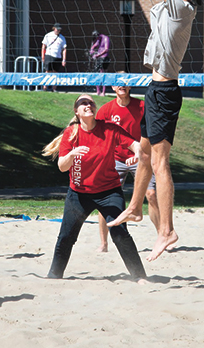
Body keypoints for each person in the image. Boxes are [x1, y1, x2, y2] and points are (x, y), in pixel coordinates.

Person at [108, 0, 204, 262]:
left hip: (166, 93)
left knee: (161, 163)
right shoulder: (169, 5)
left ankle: (167, 230)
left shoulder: (182, 7)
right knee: (143, 153)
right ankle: (136, 208)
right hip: (154, 90)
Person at [43, 95, 146, 282]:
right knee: (66, 237)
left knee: (120, 233)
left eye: (91, 102)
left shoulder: (109, 129)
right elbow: (62, 166)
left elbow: (136, 145)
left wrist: (138, 155)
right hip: (79, 194)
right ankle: (54, 276)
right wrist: (72, 154)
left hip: (109, 192)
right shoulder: (71, 133)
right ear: (76, 111)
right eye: (83, 103)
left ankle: (140, 277)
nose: (88, 104)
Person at [94, 81, 158, 252]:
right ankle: (104, 243)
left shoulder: (142, 106)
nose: (122, 87)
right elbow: (98, 136)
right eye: (118, 84)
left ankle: (162, 236)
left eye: (125, 84)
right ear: (112, 88)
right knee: (104, 200)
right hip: (116, 159)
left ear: (130, 87)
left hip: (141, 157)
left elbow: (154, 131)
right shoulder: (106, 110)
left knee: (151, 194)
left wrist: (140, 154)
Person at [41, 23, 67, 92]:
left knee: (55, 72)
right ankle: (45, 87)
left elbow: (64, 49)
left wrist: (64, 59)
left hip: (57, 56)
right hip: (49, 55)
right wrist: (43, 56)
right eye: (57, 29)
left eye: (59, 29)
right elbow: (43, 46)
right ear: (54, 28)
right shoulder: (48, 35)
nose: (58, 30)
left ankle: (54, 88)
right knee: (47, 71)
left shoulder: (62, 38)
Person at [89, 30, 112, 96]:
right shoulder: (98, 39)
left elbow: (106, 49)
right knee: (96, 74)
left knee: (103, 74)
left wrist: (97, 55)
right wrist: (92, 49)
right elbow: (95, 45)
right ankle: (98, 91)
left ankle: (103, 92)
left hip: (104, 58)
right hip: (98, 58)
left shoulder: (105, 38)